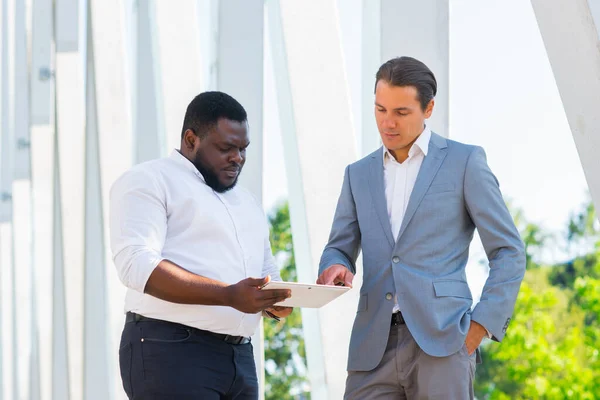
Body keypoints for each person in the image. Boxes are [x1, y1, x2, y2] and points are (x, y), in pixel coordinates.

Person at [316, 56, 526, 399]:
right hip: (373, 347)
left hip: (444, 341)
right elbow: (339, 246)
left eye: (401, 112)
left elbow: (509, 251)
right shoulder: (358, 174)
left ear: (428, 109)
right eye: (380, 109)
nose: (388, 123)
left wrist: (480, 326)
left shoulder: (464, 162)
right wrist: (334, 264)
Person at [110, 91, 292, 399]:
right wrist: (228, 295)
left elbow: (266, 270)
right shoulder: (149, 180)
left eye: (243, 148)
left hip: (240, 359)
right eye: (226, 148)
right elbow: (137, 266)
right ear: (191, 139)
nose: (238, 157)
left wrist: (276, 299)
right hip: (171, 350)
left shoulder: (248, 202)